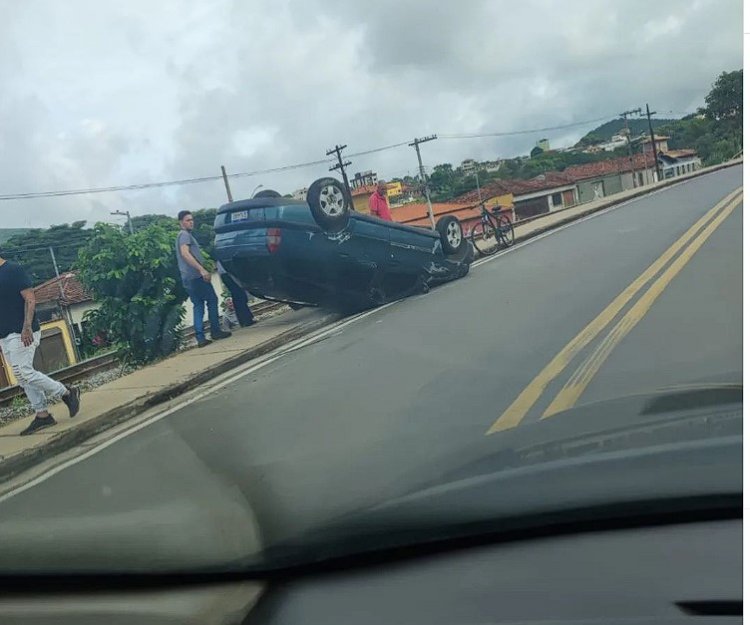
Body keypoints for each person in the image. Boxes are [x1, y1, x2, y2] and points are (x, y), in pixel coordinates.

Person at [0, 253, 80, 436]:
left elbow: (30, 298)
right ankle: (42, 415)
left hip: (22, 330)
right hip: (4, 334)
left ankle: (67, 392)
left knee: (23, 371)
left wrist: (27, 327)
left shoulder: (13, 270)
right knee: (21, 377)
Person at [175, 211, 231, 348]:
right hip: (195, 276)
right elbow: (185, 254)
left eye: (192, 220)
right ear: (181, 222)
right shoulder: (184, 235)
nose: (191, 222)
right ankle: (215, 331)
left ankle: (200, 337)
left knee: (198, 305)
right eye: (188, 220)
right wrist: (201, 269)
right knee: (212, 300)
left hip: (187, 278)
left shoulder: (182, 236)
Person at [217, 261, 255, 328]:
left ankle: (245, 319)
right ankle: (246, 319)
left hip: (224, 273)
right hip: (227, 272)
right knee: (239, 295)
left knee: (238, 295)